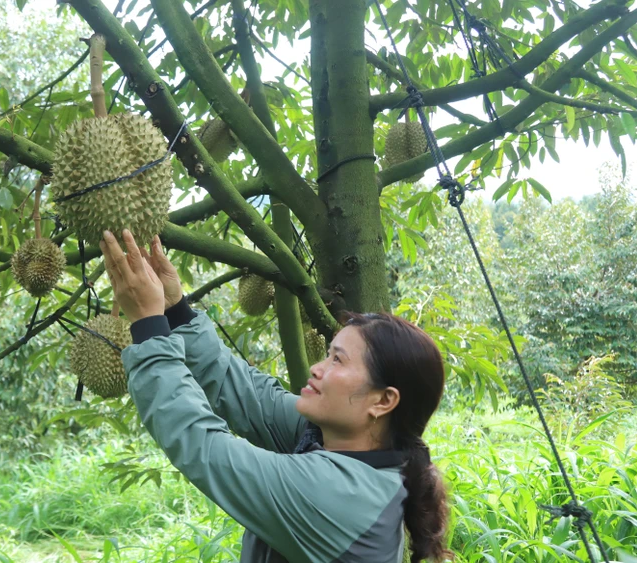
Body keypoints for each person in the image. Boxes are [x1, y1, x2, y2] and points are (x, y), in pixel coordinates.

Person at [98, 228, 452, 563]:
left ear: (383, 401)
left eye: (338, 360)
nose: (317, 368)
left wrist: (149, 327)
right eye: (328, 354)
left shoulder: (341, 496)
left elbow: (204, 447)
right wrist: (174, 310)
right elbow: (247, 394)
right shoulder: (341, 442)